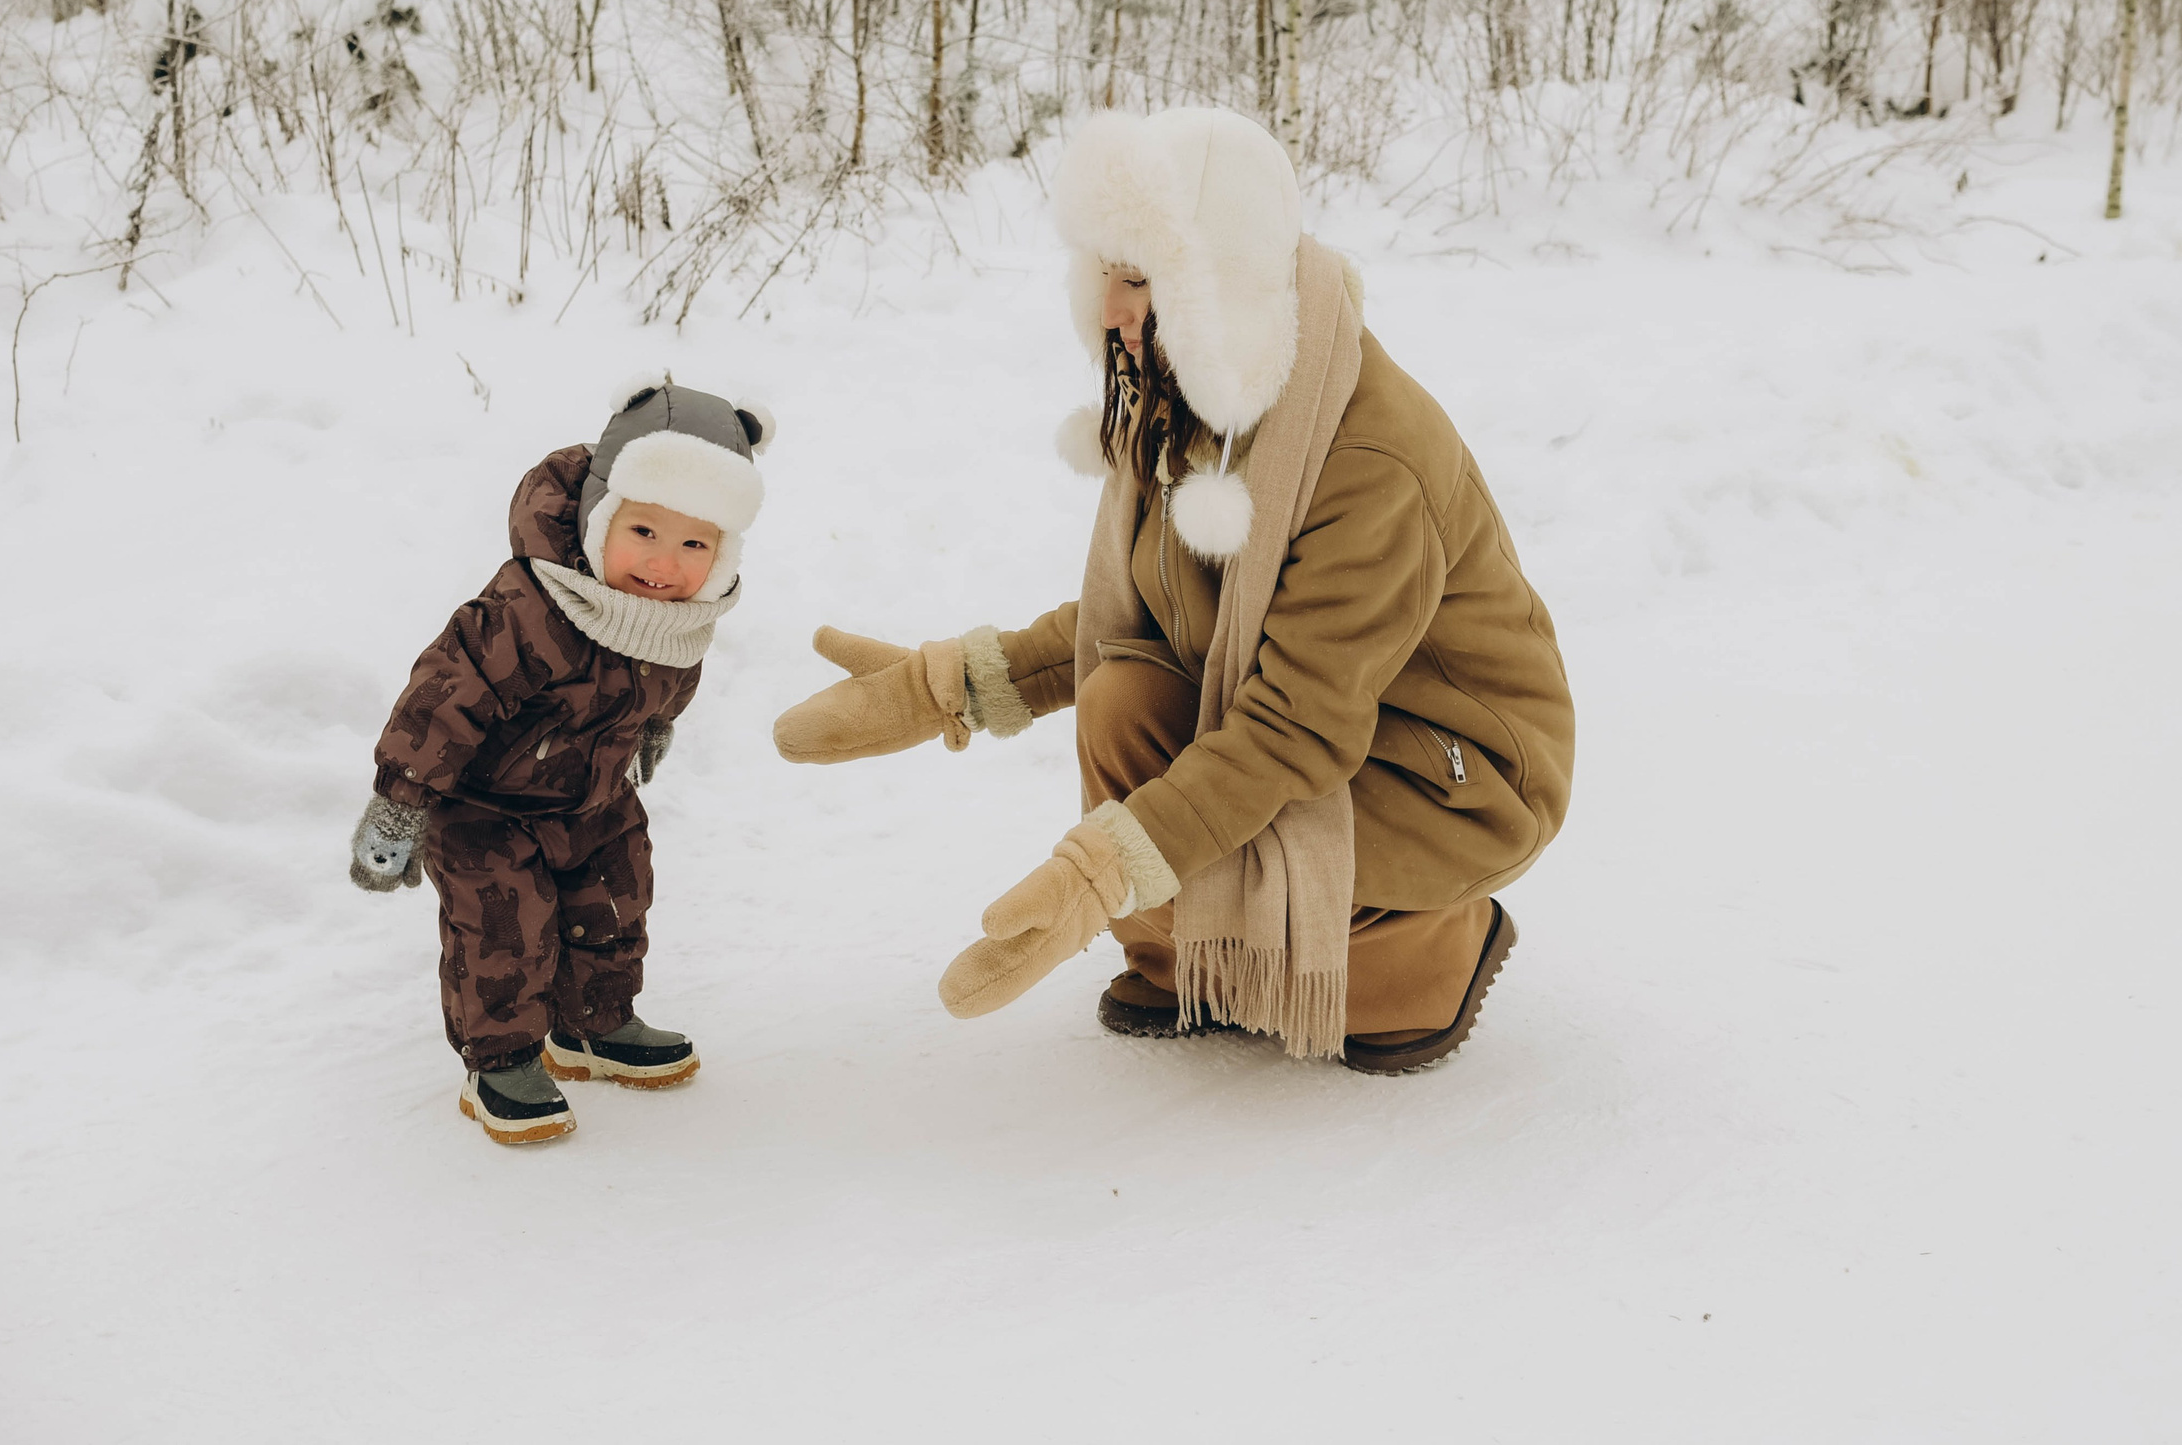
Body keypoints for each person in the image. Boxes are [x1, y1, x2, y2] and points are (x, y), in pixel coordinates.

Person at [774, 108, 1574, 1071]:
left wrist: (1101, 869)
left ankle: (1429, 953)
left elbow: (1297, 727)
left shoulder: (1366, 457)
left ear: (1218, 280)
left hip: (1449, 771)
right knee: (1121, 696)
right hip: (1320, 719)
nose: (1111, 309)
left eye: (1140, 279)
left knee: (1275, 861)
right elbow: (1144, 616)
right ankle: (1181, 959)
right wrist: (954, 685)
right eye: (1105, 274)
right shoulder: (1201, 396)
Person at [349, 378, 772, 1144]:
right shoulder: (530, 607)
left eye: (694, 544)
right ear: (599, 514)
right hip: (486, 807)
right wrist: (401, 802)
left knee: (615, 902)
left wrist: (652, 731)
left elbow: (670, 683)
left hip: (594, 798)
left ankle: (592, 1026)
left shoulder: (676, 621)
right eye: (643, 530)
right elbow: (442, 698)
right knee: (504, 931)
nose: (664, 562)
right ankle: (500, 1060)